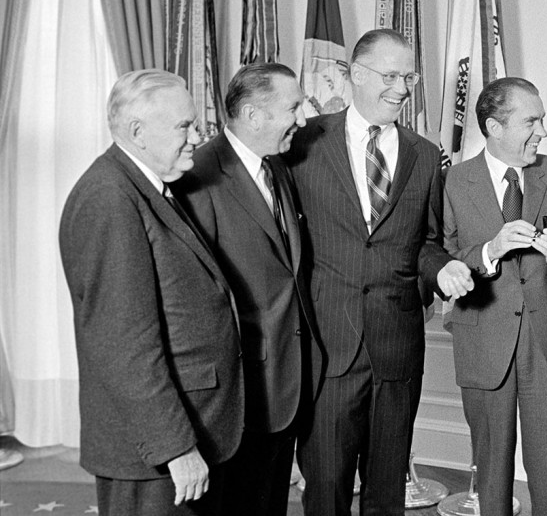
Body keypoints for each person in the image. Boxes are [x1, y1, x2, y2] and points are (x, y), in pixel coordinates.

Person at [284, 29, 474, 516]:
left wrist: (444, 268)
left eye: (408, 76)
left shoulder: (426, 155)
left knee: (388, 489)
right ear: (356, 75)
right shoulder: (303, 142)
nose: (403, 88)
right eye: (390, 76)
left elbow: (426, 243)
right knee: (325, 486)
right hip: (328, 347)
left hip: (397, 346)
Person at [59, 69, 243, 516]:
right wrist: (175, 449)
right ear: (137, 132)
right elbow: (124, 345)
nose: (198, 136)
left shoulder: (147, 187)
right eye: (184, 125)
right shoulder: (109, 198)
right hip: (154, 455)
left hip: (187, 434)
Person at [442, 77, 547, 516]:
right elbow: (443, 256)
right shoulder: (453, 181)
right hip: (483, 339)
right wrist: (491, 250)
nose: (543, 132)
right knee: (490, 472)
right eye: (532, 121)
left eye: (543, 120)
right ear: (494, 126)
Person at [174, 63, 319, 516]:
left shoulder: (277, 168)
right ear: (254, 116)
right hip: (237, 397)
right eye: (293, 107)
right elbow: (196, 296)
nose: (302, 118)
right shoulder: (198, 175)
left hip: (286, 385)